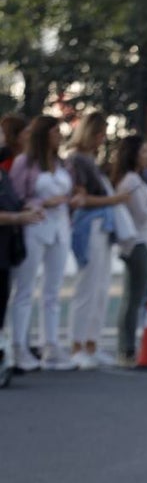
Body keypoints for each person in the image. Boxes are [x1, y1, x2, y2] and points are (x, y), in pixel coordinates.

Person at [9, 115, 81, 372]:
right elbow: (16, 197)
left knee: (53, 290)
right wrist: (42, 203)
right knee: (25, 289)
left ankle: (51, 345)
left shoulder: (62, 164)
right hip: (35, 227)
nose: (59, 136)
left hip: (61, 228)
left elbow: (70, 191)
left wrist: (73, 200)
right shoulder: (24, 163)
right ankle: (19, 347)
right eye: (54, 132)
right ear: (44, 135)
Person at [67, 110, 130, 369]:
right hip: (90, 225)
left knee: (102, 287)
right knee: (87, 287)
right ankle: (77, 344)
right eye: (99, 134)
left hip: (103, 226)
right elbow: (81, 199)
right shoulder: (76, 160)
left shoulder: (90, 160)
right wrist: (113, 200)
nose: (102, 139)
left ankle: (91, 342)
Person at [111, 135, 147, 366]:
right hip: (137, 242)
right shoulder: (132, 181)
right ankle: (126, 349)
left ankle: (127, 348)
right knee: (134, 297)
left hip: (142, 241)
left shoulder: (135, 179)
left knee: (134, 295)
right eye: (143, 152)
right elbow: (143, 214)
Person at [0, 150, 45, 352]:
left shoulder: (4, 174)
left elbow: (16, 202)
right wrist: (17, 218)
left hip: (5, 250)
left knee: (3, 300)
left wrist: (29, 209)